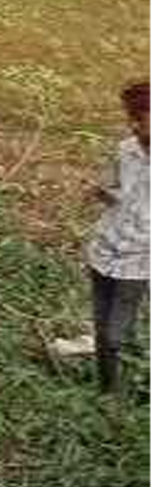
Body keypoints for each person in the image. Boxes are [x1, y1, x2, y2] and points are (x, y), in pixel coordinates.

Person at [85, 81, 150, 395]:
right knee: (101, 331)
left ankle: (131, 388)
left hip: (139, 261)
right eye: (132, 118)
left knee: (115, 335)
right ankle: (106, 394)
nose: (135, 125)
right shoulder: (125, 150)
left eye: (143, 118)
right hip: (104, 251)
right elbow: (115, 189)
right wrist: (103, 193)